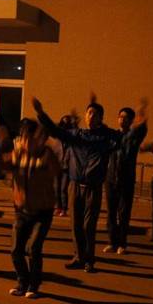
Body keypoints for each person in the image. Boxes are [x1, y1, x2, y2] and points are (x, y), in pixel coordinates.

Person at [34, 94, 121, 273]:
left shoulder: (106, 138)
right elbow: (55, 131)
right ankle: (79, 257)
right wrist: (41, 113)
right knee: (75, 225)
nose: (91, 116)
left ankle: (89, 260)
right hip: (74, 185)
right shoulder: (76, 135)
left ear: (101, 118)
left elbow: (123, 139)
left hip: (93, 187)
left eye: (95, 114)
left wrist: (133, 124)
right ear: (85, 115)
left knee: (88, 226)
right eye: (89, 113)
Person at [0, 118, 61, 298]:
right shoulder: (18, 154)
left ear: (37, 138)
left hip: (42, 211)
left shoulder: (46, 154)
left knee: (33, 248)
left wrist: (43, 157)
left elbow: (57, 171)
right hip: (22, 210)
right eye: (22, 136)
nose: (24, 140)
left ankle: (33, 285)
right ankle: (22, 282)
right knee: (16, 250)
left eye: (28, 137)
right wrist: (1, 143)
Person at [104, 102, 148, 254]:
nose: (122, 119)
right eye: (120, 116)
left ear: (131, 120)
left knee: (123, 213)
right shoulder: (112, 136)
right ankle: (112, 242)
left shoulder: (133, 138)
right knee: (111, 213)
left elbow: (142, 130)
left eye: (126, 117)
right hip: (110, 178)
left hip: (126, 180)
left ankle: (122, 243)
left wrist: (141, 117)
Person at [53, 114, 75, 218]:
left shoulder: (71, 138)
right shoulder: (57, 138)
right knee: (56, 188)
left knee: (63, 188)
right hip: (57, 166)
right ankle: (58, 207)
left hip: (67, 167)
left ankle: (64, 208)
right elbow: (55, 151)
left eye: (67, 122)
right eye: (63, 122)